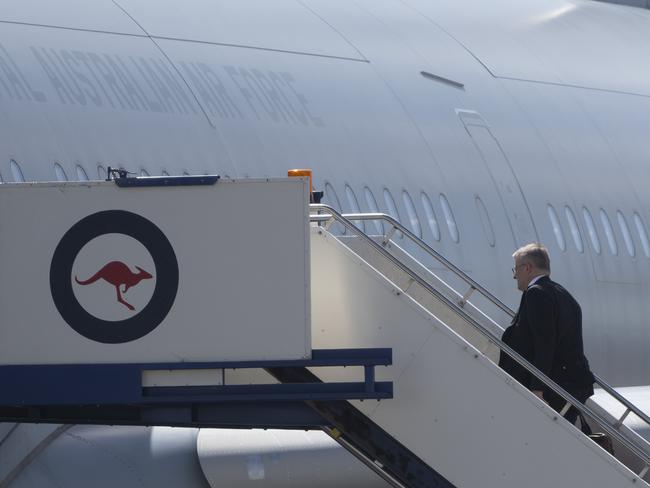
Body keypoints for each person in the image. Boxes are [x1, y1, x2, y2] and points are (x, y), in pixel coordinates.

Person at [499, 243, 595, 423]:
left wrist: (538, 387)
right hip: (570, 383)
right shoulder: (563, 293)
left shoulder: (536, 294)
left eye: (516, 269)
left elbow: (545, 344)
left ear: (527, 268)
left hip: (553, 388)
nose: (514, 276)